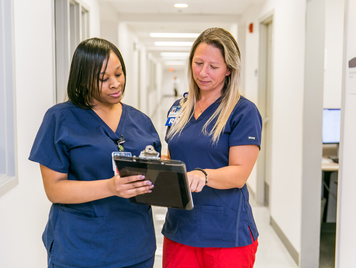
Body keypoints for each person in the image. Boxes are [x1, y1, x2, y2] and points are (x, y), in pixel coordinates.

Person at [29, 38, 160, 268]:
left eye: (119, 74)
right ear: (83, 80)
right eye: (103, 79)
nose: (115, 84)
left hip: (136, 246)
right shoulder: (60, 119)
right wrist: (111, 187)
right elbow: (54, 190)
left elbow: (152, 178)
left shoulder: (141, 121)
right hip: (79, 249)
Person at [162, 27, 262, 268]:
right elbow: (173, 153)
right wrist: (157, 168)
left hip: (225, 234)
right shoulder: (179, 107)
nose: (203, 73)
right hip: (180, 228)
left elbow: (239, 174)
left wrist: (203, 175)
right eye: (198, 63)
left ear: (229, 69)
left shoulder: (243, 112)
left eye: (213, 67)